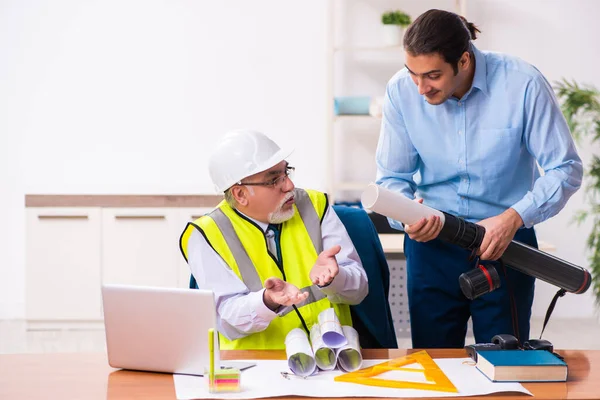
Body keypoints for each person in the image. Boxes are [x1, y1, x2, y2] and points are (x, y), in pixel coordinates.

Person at [376, 9, 583, 348]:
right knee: (434, 363)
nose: (420, 88)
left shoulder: (523, 83)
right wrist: (406, 216)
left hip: (505, 244)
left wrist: (512, 218)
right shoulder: (400, 91)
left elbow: (566, 168)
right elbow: (391, 177)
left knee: (506, 364)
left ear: (464, 60)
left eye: (432, 76)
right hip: (432, 244)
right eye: (412, 73)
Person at [179, 129, 368, 350]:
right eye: (274, 180)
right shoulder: (207, 233)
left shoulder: (313, 205)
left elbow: (359, 290)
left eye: (286, 172)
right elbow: (229, 320)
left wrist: (333, 279)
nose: (288, 185)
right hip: (258, 368)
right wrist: (267, 301)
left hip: (334, 355)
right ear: (240, 194)